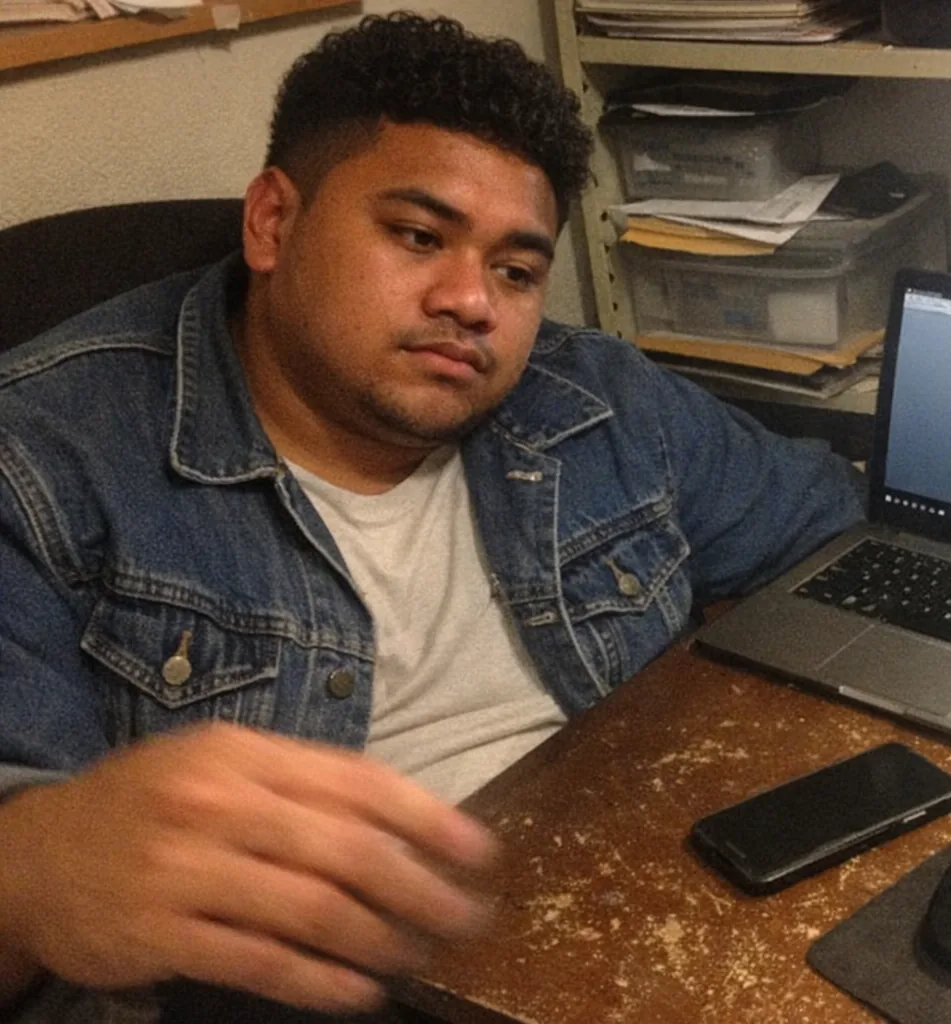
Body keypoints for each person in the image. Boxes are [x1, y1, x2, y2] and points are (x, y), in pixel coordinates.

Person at [0, 13, 862, 1022]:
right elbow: (44, 898)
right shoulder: (42, 464)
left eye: (516, 269)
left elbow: (826, 531)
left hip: (640, 925)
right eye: (418, 235)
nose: (471, 302)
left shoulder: (597, 399)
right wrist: (29, 875)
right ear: (273, 221)